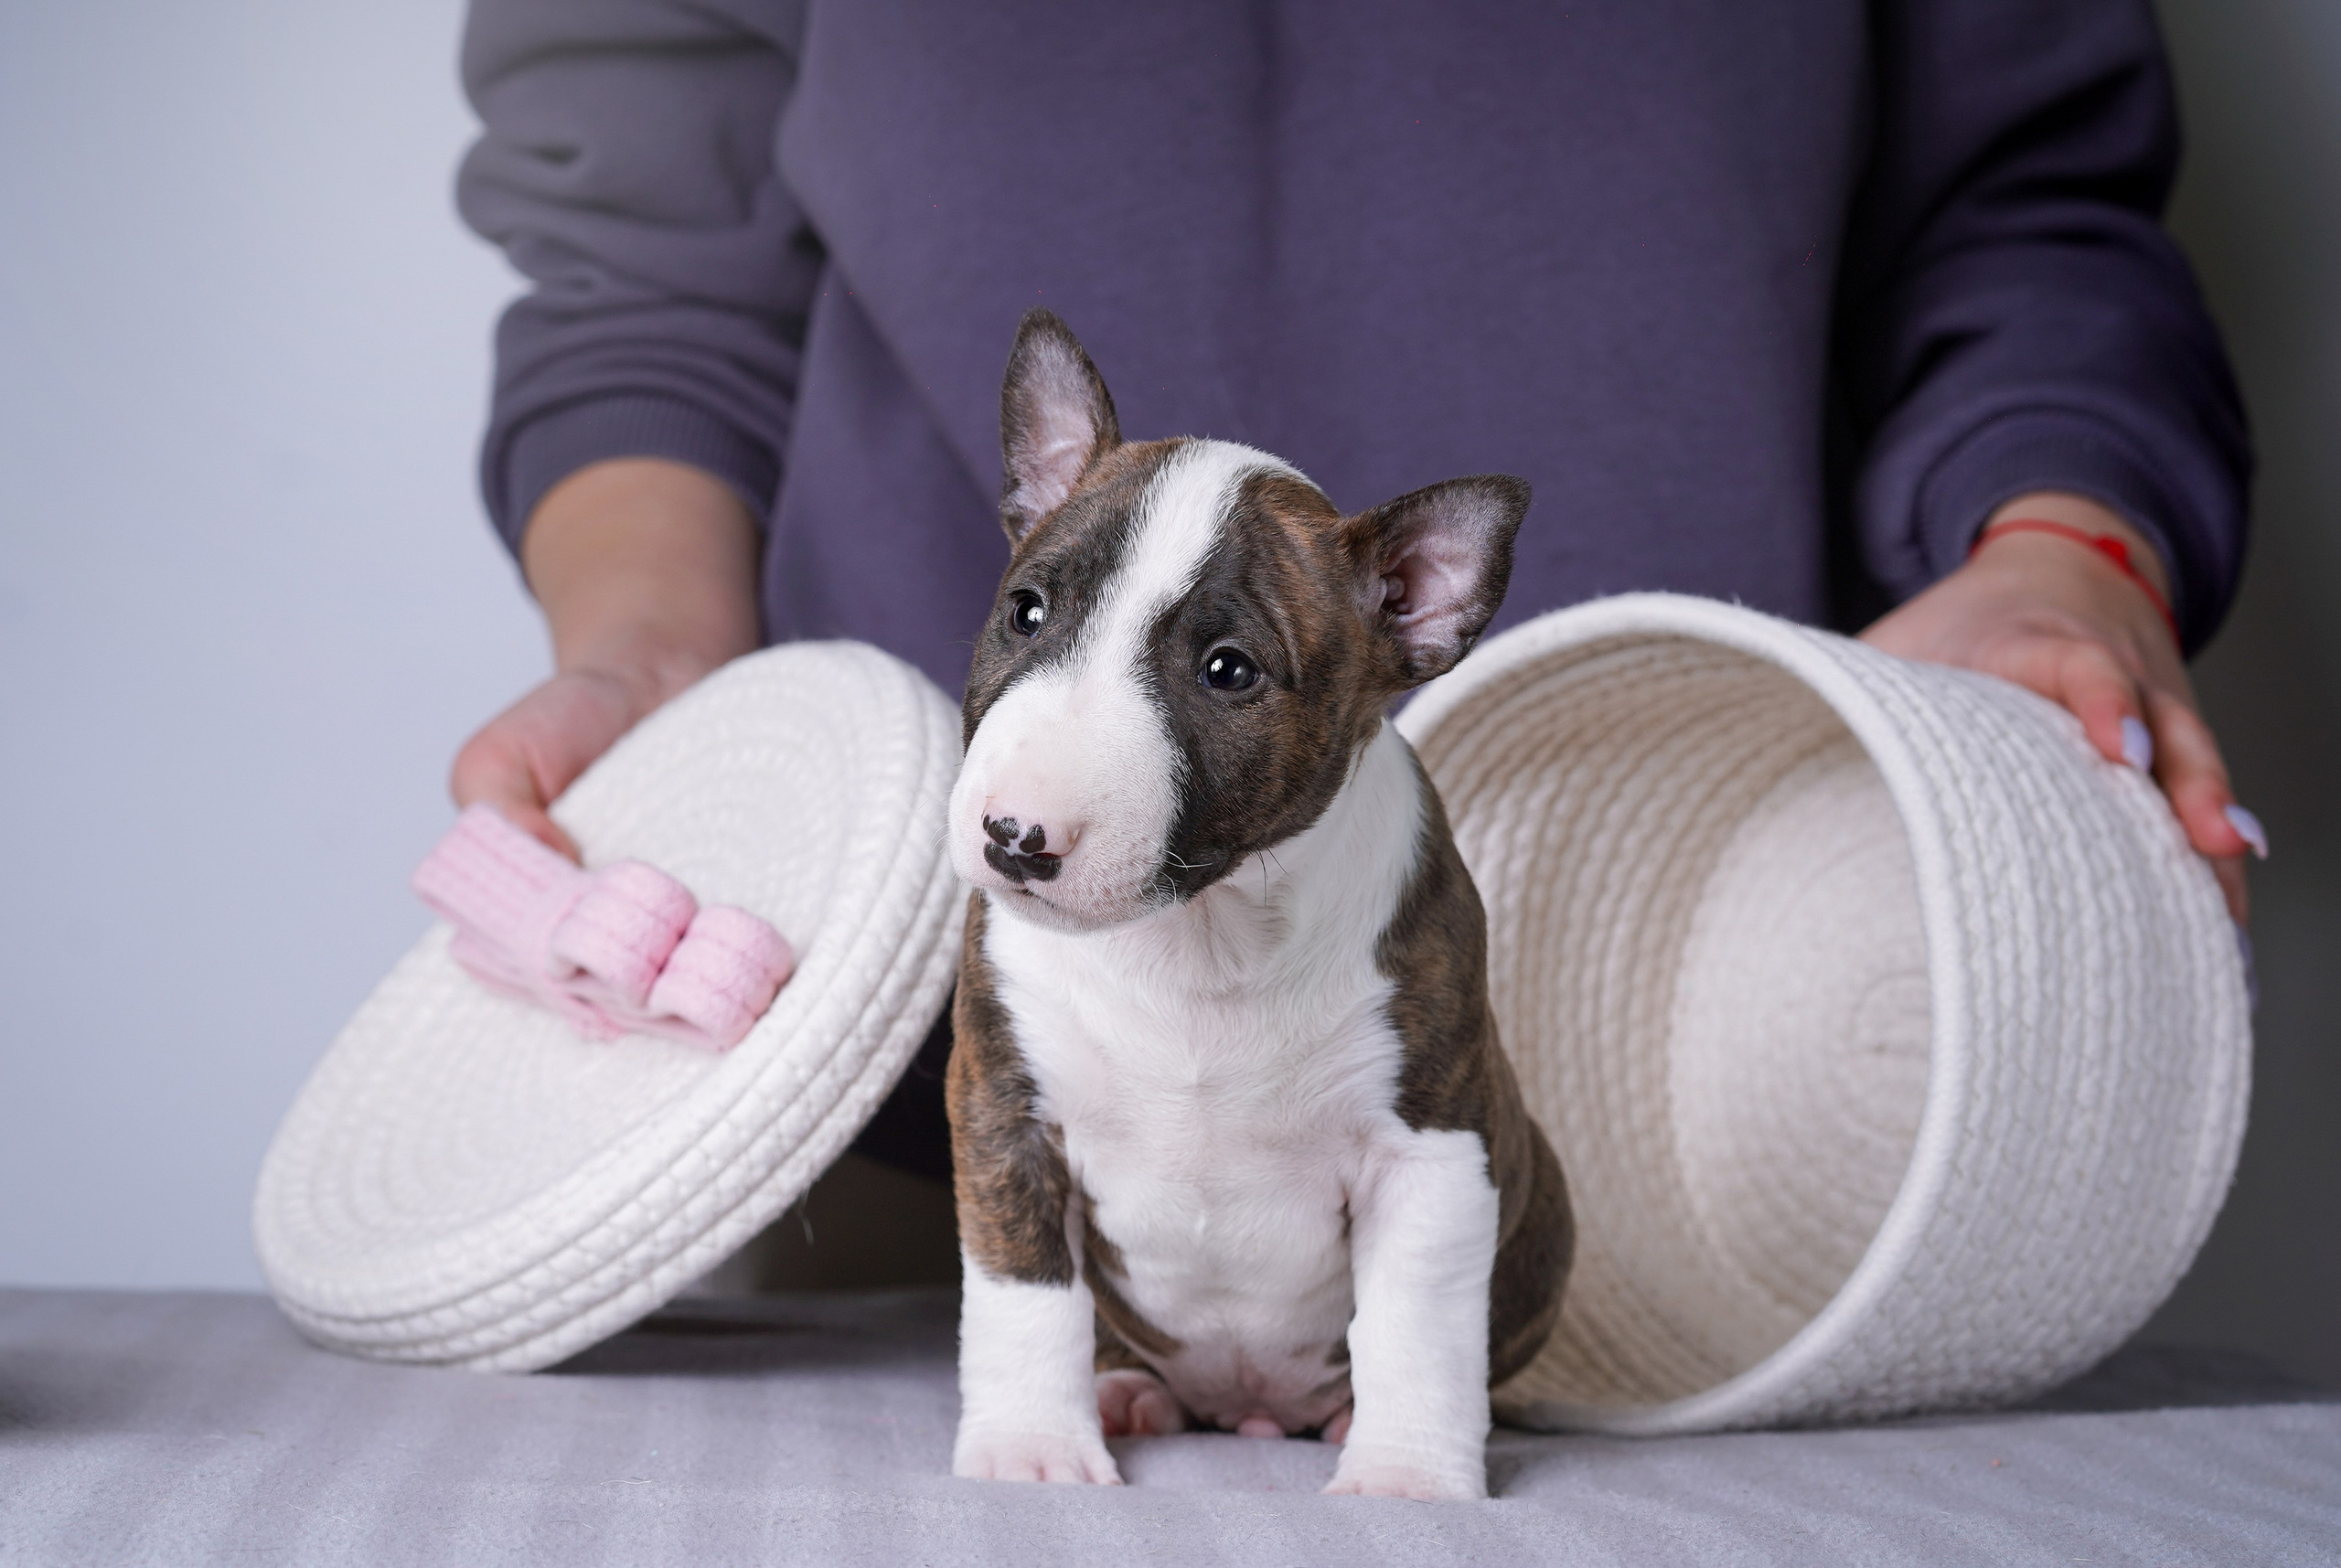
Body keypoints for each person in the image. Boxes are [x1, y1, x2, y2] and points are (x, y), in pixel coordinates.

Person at [447, 3, 2261, 1179]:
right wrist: (651, 659)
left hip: (1711, 1080)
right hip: (901, 1099)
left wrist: (2056, 548)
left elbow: (2018, 203)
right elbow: (654, 269)